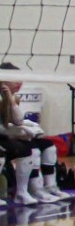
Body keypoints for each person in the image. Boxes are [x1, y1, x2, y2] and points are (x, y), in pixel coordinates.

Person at [1, 69, 64, 205]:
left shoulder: (13, 98)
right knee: (30, 149)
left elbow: (18, 120)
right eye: (14, 79)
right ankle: (31, 189)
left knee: (48, 146)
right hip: (5, 137)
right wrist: (20, 132)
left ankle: (41, 188)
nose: (19, 83)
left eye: (20, 79)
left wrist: (11, 102)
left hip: (9, 136)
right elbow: (11, 126)